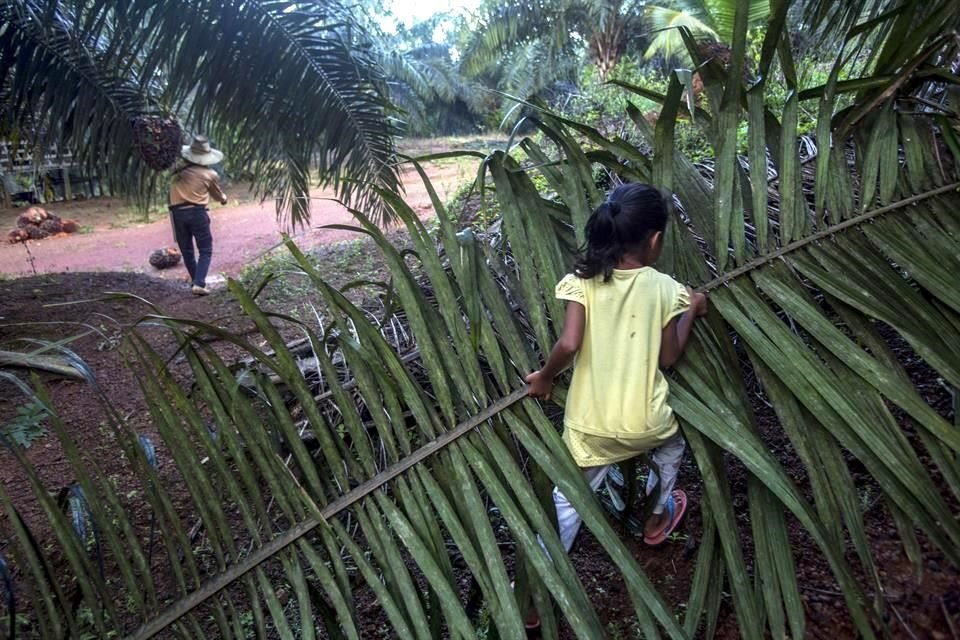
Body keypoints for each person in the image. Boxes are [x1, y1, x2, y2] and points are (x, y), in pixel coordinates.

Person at [526, 182, 708, 554]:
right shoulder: (665, 288)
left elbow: (570, 343)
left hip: (590, 431)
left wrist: (545, 377)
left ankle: (536, 594)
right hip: (647, 424)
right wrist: (691, 308)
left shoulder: (581, 283)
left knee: (568, 499)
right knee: (672, 447)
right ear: (655, 240)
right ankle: (657, 517)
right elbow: (668, 358)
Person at [169, 135, 227, 296]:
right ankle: (199, 283)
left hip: (177, 214)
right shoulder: (209, 174)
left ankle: (196, 281)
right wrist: (224, 199)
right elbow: (218, 195)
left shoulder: (177, 172)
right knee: (205, 249)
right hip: (197, 213)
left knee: (187, 250)